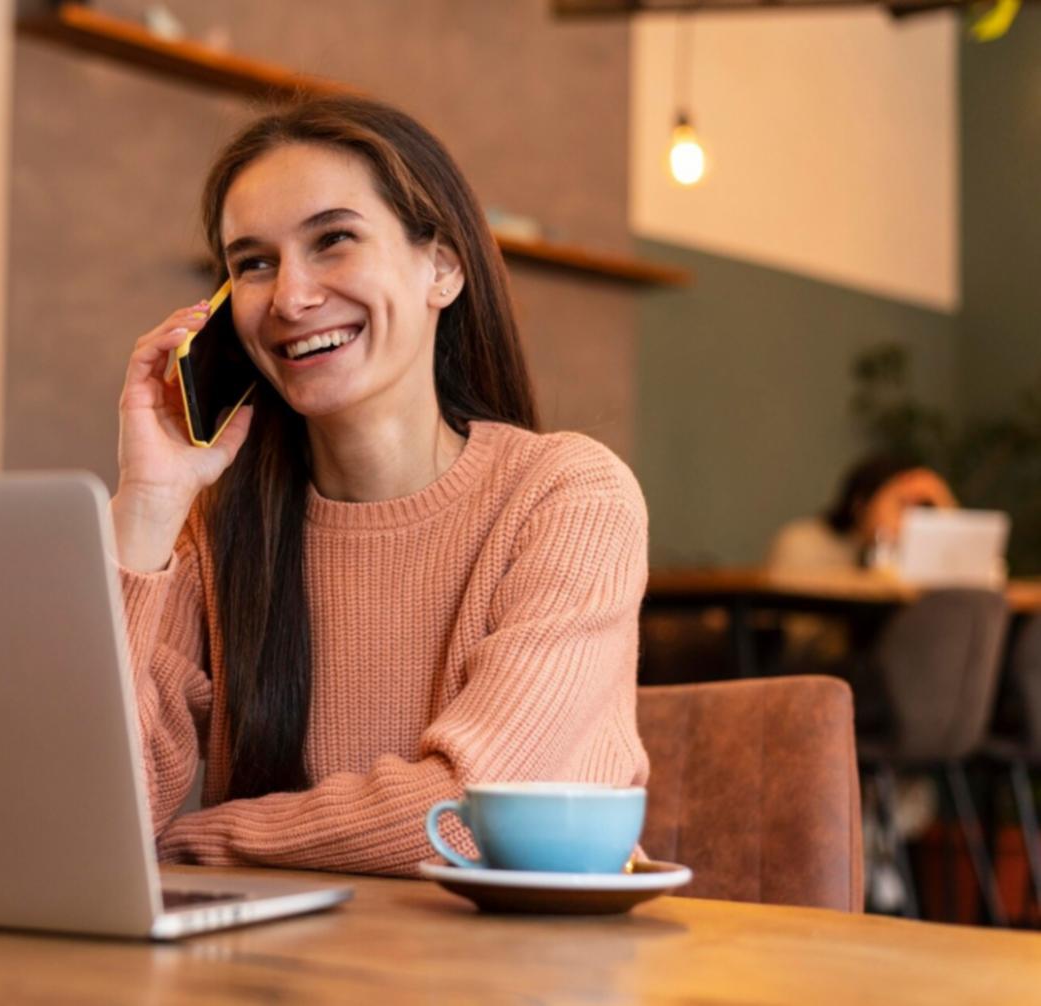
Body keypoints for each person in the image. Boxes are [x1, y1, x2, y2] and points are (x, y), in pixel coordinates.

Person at [108, 96, 648, 876]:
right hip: (281, 980)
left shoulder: (567, 495)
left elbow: (468, 818)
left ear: (442, 266)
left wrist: (199, 841)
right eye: (253, 264)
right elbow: (93, 808)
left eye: (333, 241)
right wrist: (148, 509)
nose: (290, 298)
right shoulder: (217, 528)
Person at [766, 455, 958, 575]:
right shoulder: (803, 542)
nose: (910, 519)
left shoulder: (913, 552)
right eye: (900, 504)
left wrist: (943, 501)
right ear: (860, 505)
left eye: (919, 507)